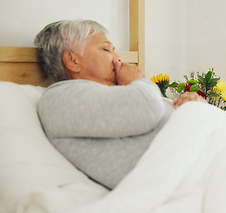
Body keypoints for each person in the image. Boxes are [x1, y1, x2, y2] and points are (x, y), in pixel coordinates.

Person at [35, 19, 206, 189]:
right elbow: (148, 108)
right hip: (190, 175)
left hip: (209, 155)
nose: (118, 59)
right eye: (106, 49)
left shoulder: (121, 92)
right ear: (72, 61)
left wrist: (197, 107)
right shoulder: (60, 98)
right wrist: (136, 81)